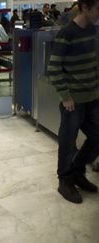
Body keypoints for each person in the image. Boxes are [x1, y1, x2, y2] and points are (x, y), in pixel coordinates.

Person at [48, 0, 99, 204]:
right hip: (73, 102)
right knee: (68, 142)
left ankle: (77, 172)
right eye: (97, 9)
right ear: (85, 7)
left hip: (93, 98)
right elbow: (54, 68)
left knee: (97, 137)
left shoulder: (92, 31)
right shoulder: (67, 33)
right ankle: (65, 180)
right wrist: (66, 96)